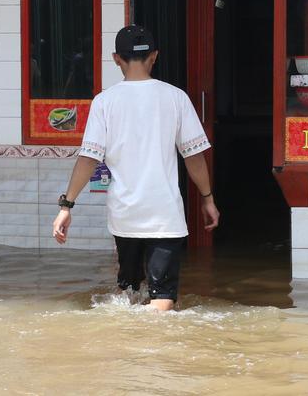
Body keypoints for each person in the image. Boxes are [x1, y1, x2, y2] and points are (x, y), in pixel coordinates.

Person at [51, 25, 219, 312]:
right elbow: (193, 156)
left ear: (117, 59)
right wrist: (208, 199)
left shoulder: (104, 101)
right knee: (162, 295)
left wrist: (67, 206)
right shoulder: (176, 98)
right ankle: (152, 349)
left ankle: (126, 350)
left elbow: (88, 159)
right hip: (164, 214)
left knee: (127, 291)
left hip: (125, 213)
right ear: (154, 56)